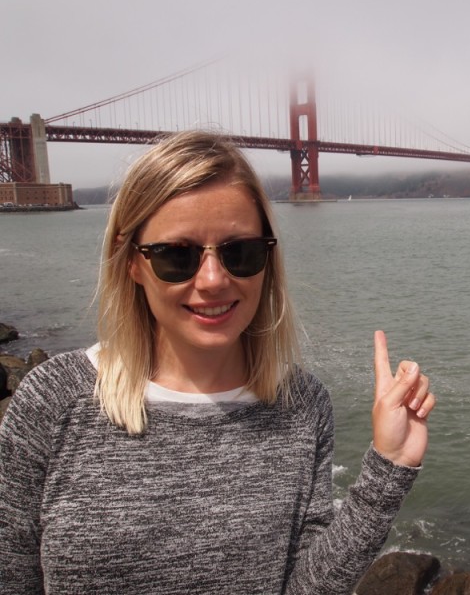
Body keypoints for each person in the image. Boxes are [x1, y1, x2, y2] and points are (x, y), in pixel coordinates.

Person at [0, 130, 435, 594]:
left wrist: (391, 463)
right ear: (131, 262)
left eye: (239, 252)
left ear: (268, 259)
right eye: (176, 255)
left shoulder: (303, 405)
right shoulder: (53, 400)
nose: (212, 280)